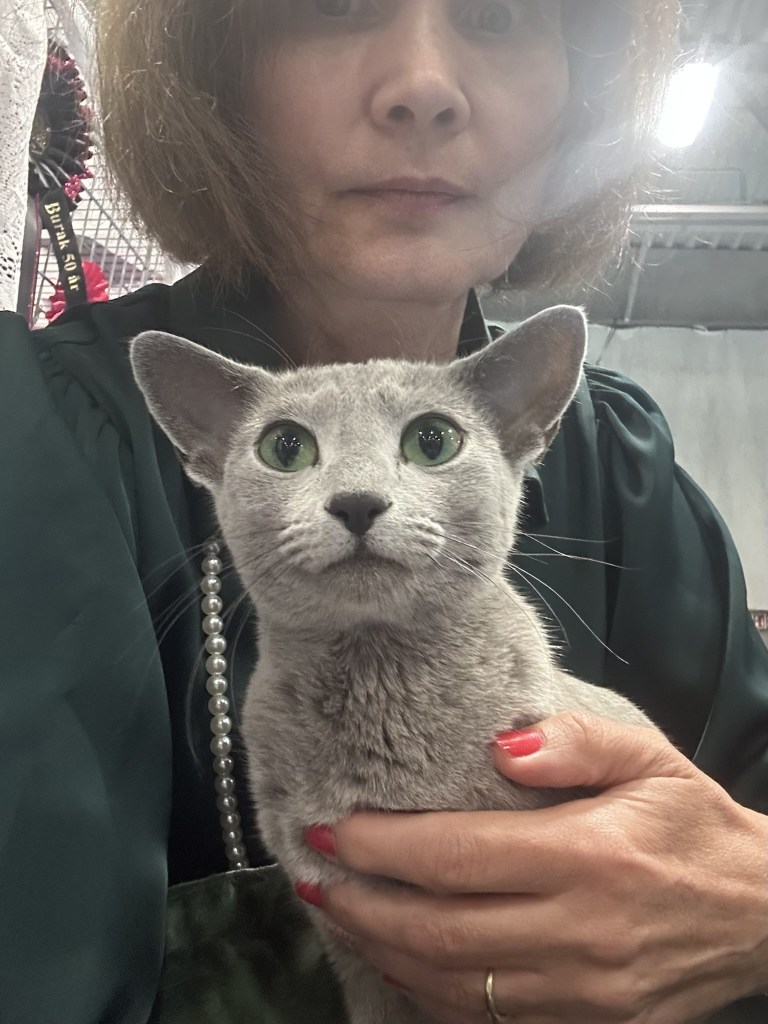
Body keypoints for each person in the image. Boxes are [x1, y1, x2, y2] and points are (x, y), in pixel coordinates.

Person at [1, 0, 766, 1022]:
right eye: (335, 6)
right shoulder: (41, 441)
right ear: (218, 69)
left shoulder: (624, 465)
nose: (423, 88)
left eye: (500, 16)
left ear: (578, 96)